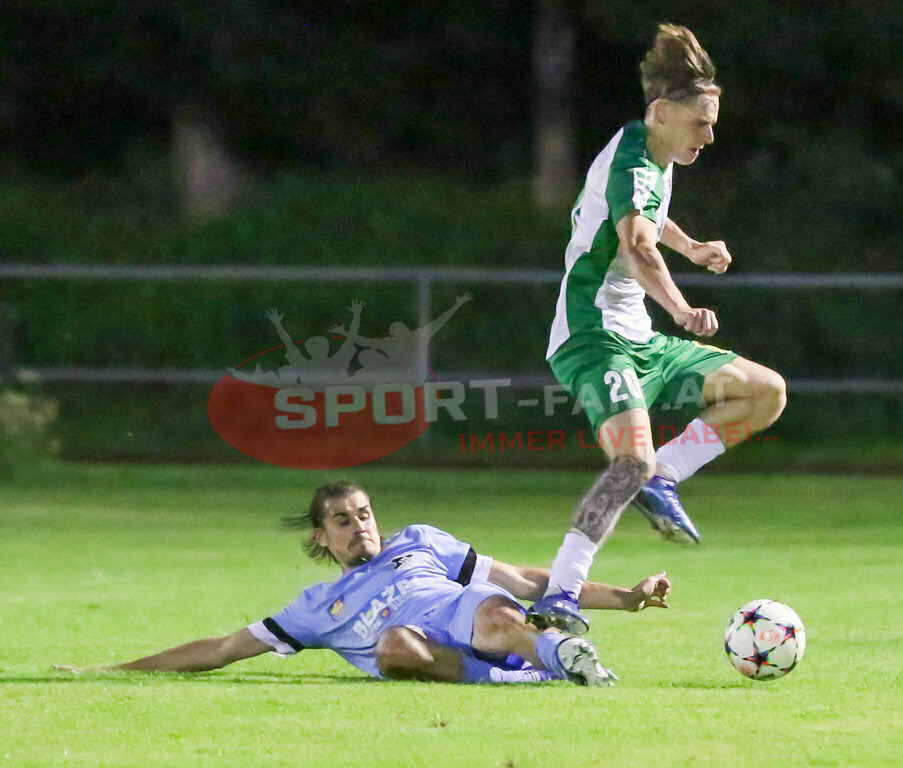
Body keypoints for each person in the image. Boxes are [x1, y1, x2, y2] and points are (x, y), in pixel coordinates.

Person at [528, 24, 787, 636]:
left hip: (637, 337)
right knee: (627, 465)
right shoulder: (634, 161)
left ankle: (665, 476)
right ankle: (560, 593)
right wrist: (681, 307)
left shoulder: (652, 154)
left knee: (765, 392)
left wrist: (692, 246)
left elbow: (649, 218)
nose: (710, 135)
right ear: (663, 112)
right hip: (591, 336)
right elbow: (638, 246)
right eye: (702, 122)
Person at [56, 481, 671, 686]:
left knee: (491, 611)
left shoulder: (421, 543)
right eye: (342, 521)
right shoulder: (315, 608)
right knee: (393, 646)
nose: (360, 526)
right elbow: (220, 650)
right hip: (430, 651)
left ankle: (562, 658)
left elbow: (529, 579)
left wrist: (627, 597)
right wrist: (115, 671)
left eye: (364, 513)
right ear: (322, 537)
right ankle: (537, 665)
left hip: (470, 614)